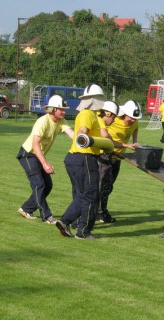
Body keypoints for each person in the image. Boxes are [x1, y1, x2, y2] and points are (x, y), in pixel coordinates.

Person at [55, 83, 106, 240]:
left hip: (74, 158)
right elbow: (83, 130)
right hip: (84, 158)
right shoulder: (88, 114)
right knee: (91, 195)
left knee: (82, 195)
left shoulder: (90, 114)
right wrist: (83, 135)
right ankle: (83, 231)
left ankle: (65, 221)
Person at [16, 95, 74, 224]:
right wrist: (45, 164)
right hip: (28, 154)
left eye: (64, 109)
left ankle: (26, 209)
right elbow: (35, 144)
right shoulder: (43, 121)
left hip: (37, 155)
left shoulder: (61, 121)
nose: (64, 112)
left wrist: (84, 140)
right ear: (53, 109)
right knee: (39, 185)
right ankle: (47, 216)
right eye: (61, 109)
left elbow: (71, 134)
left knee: (48, 185)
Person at [97, 100, 141, 223]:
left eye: (135, 118)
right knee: (103, 186)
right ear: (124, 113)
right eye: (131, 117)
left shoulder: (135, 121)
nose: (133, 120)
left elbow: (135, 128)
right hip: (105, 154)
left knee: (109, 187)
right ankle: (100, 213)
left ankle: (99, 211)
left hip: (118, 157)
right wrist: (126, 145)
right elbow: (102, 131)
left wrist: (135, 141)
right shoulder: (113, 118)